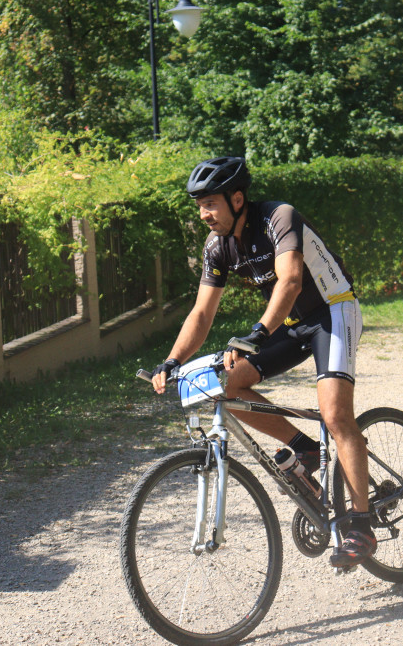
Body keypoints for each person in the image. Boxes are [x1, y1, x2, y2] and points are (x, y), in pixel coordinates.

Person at [151, 157, 376, 568]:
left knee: (335, 413)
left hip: (333, 310)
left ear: (238, 199)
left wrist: (257, 332)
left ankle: (360, 525)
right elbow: (201, 313)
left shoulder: (279, 217)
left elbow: (290, 280)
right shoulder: (217, 247)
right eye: (198, 205)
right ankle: (304, 449)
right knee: (228, 383)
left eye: (211, 204)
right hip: (290, 321)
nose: (203, 214)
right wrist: (171, 361)